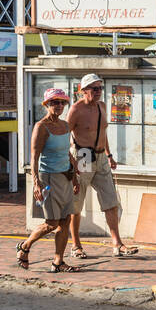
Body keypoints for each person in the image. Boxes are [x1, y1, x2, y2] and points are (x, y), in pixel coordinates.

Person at [65, 72, 139, 258]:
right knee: (77, 203)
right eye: (94, 88)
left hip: (100, 158)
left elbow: (102, 133)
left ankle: (117, 244)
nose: (98, 92)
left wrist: (109, 154)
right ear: (83, 90)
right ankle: (76, 245)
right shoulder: (75, 110)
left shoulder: (102, 106)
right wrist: (70, 162)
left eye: (100, 88)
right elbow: (63, 136)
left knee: (111, 201)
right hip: (82, 155)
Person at [17, 88, 81, 273]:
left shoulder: (65, 125)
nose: (59, 106)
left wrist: (75, 175)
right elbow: (34, 157)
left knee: (65, 221)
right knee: (51, 223)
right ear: (46, 105)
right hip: (48, 179)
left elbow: (66, 151)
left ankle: (58, 261)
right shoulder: (41, 126)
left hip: (65, 176)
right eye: (55, 102)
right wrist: (36, 182)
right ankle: (25, 246)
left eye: (62, 102)